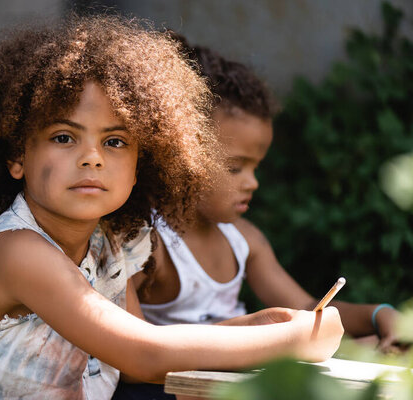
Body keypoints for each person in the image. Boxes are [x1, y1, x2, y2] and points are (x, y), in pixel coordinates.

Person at [0, 16, 344, 399]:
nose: (92, 158)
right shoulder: (17, 252)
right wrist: (291, 343)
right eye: (64, 137)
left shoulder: (109, 247)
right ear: (17, 156)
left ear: (144, 162)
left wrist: (260, 325)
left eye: (115, 142)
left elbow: (137, 345)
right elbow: (143, 356)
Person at [132, 38, 401, 352]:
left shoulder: (244, 241)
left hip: (244, 374)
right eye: (236, 168)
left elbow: (307, 307)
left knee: (376, 348)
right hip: (181, 386)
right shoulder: (148, 246)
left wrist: (378, 314)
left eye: (255, 168)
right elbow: (131, 349)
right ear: (179, 154)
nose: (253, 183)